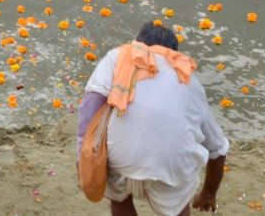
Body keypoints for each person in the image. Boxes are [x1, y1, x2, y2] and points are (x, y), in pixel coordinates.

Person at [78, 21, 230, 216]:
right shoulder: (189, 79)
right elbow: (219, 150)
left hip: (121, 158)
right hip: (171, 164)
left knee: (119, 195)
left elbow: (91, 104)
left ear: (138, 43)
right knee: (177, 203)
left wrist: (82, 156)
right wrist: (209, 194)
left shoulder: (120, 56)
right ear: (174, 52)